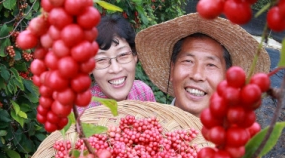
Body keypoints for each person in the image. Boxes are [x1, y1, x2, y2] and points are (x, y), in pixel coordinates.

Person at [135, 12, 271, 117]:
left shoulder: (235, 148)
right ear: (172, 69)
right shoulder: (143, 131)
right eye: (188, 61)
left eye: (211, 64)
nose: (197, 75)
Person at [78, 14, 156, 113]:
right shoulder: (82, 112)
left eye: (123, 55)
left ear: (135, 55)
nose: (115, 69)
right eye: (101, 59)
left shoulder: (143, 93)